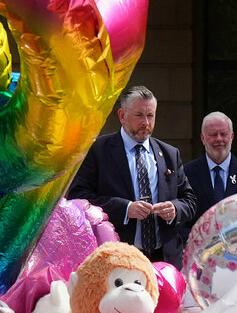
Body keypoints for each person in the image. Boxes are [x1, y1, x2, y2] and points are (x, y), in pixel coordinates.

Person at [67, 86, 196, 266]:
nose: (146, 122)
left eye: (150, 115)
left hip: (164, 259)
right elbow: (78, 198)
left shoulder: (169, 154)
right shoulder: (98, 151)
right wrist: (126, 209)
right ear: (122, 116)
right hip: (117, 257)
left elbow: (189, 200)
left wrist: (175, 209)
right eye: (139, 115)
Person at [181, 112, 237, 236]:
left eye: (224, 134)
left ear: (231, 137)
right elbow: (178, 222)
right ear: (203, 138)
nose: (219, 139)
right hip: (200, 252)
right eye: (213, 134)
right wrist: (197, 243)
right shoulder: (185, 174)